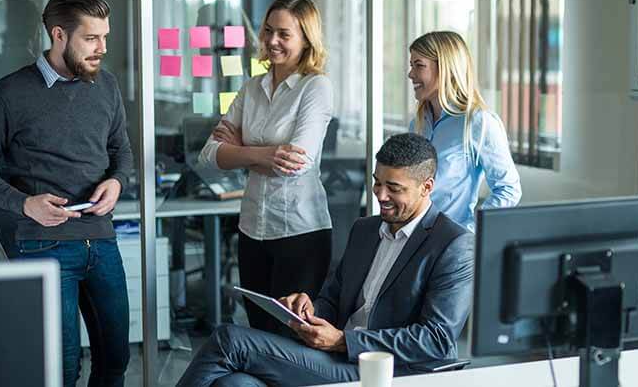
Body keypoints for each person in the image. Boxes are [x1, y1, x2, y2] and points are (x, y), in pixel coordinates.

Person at [177, 133, 473, 387]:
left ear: (427, 187)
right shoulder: (365, 230)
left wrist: (343, 341)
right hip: (338, 355)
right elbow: (333, 298)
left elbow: (435, 341)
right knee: (235, 383)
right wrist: (309, 308)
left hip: (388, 371)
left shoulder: (453, 244)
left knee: (230, 339)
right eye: (377, 182)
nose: (380, 194)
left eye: (394, 188)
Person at [0, 0, 131, 387]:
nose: (102, 47)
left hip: (101, 241)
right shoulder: (9, 92)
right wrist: (24, 204)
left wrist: (117, 182)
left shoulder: (106, 86)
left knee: (116, 360)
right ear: (58, 34)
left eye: (105, 36)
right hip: (43, 246)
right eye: (91, 38)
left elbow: (121, 151)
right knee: (61, 369)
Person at [199, 0, 333, 335]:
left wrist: (240, 150)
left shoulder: (315, 87)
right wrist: (263, 154)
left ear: (306, 40)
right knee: (259, 334)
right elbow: (210, 154)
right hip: (252, 230)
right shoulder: (251, 88)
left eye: (284, 34)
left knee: (292, 339)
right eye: (268, 31)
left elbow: (296, 162)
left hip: (300, 233)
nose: (272, 41)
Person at [407, 31, 522, 232]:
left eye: (419, 65)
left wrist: (468, 232)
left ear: (445, 69)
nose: (410, 74)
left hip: (449, 243)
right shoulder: (417, 123)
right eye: (411, 65)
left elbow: (508, 189)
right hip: (410, 237)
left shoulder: (479, 122)